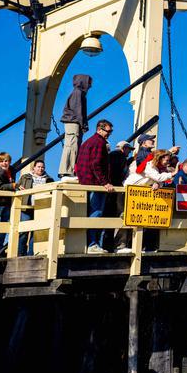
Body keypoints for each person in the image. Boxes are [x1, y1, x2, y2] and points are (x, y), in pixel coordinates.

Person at [74, 119, 114, 253]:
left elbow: (80, 164)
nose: (109, 134)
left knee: (91, 213)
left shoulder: (88, 142)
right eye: (108, 131)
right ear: (99, 129)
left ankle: (90, 243)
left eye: (111, 131)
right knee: (96, 213)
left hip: (86, 182)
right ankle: (92, 244)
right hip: (95, 184)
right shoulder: (99, 143)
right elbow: (95, 164)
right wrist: (105, 182)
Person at [17, 160, 53, 256]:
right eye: (38, 167)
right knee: (24, 232)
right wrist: (18, 188)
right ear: (34, 168)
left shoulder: (49, 179)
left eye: (42, 167)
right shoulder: (26, 177)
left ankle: (31, 253)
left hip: (41, 209)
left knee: (36, 233)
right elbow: (17, 187)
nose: (41, 169)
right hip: (27, 207)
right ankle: (20, 253)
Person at [58, 74, 92, 179]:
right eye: (89, 82)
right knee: (71, 146)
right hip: (73, 122)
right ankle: (67, 170)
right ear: (83, 82)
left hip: (74, 122)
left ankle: (70, 169)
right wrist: (83, 124)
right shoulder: (78, 93)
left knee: (73, 146)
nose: (90, 85)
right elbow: (78, 110)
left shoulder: (79, 93)